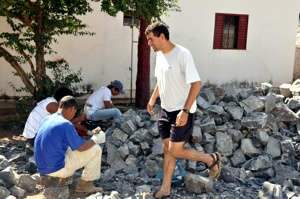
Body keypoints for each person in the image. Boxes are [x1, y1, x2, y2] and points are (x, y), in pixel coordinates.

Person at [145, 22, 222, 198]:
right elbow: (161, 80)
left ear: (162, 37)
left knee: (175, 151)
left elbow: (196, 84)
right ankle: (166, 188)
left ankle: (210, 159)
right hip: (165, 110)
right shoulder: (159, 56)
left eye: (151, 40)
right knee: (168, 149)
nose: (149, 44)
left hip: (182, 111)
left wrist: (185, 111)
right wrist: (153, 98)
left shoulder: (182, 54)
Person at [34, 96, 105, 193]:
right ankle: (85, 185)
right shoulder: (66, 124)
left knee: (67, 146)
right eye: (75, 113)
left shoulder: (46, 119)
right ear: (72, 109)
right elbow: (81, 148)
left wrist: (91, 137)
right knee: (96, 149)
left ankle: (50, 179)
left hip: (42, 169)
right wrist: (95, 139)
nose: (73, 115)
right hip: (57, 170)